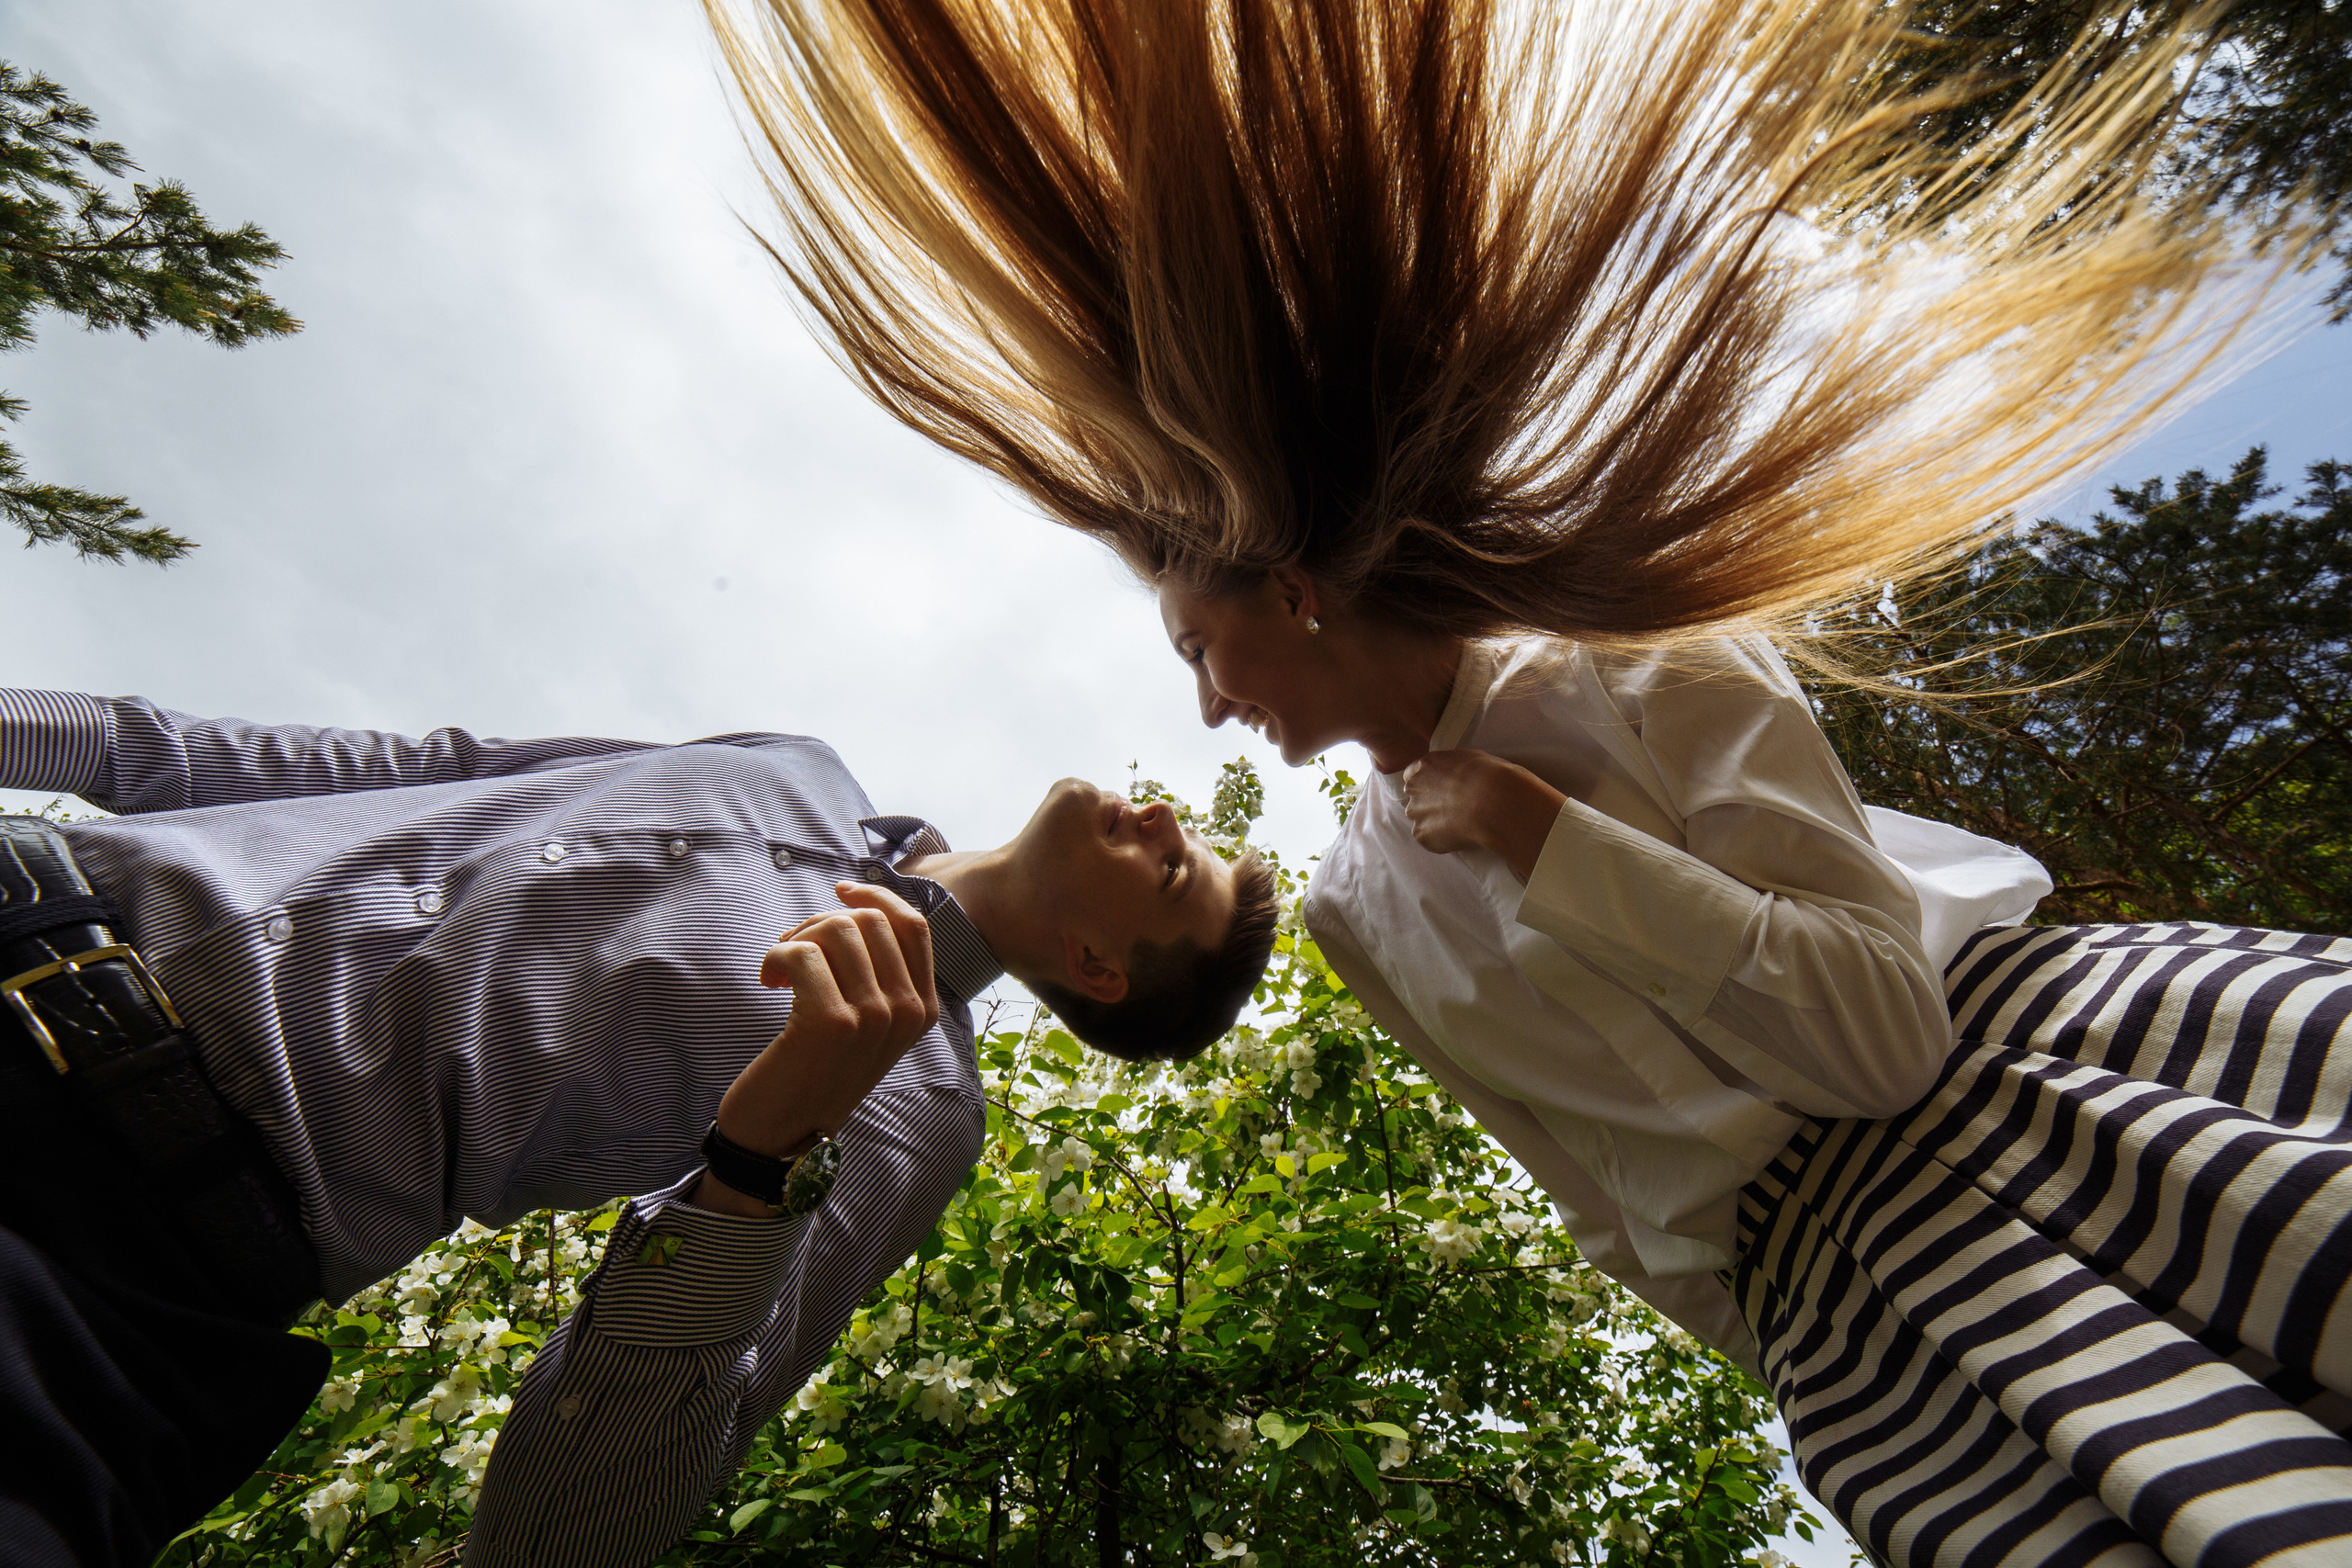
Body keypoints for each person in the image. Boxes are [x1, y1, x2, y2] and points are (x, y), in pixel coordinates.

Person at [699, 0, 2346, 1561]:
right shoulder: (1356, 909)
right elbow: (1601, 1205)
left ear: (1292, 587)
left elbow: (1885, 1036)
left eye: (1196, 649)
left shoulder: (1641, 661)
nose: (1203, 715)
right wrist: (1819, 1364)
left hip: (2081, 1096)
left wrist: (1551, 838)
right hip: (1865, 1331)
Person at [0, 688, 1282, 1568]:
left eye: (1176, 874)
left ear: (1098, 970)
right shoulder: (795, 762)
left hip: (104, 1272)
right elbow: (416, 767)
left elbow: (569, 1533)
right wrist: (34, 731)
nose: (1166, 816)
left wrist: (753, 1171)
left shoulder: (912, 1113)